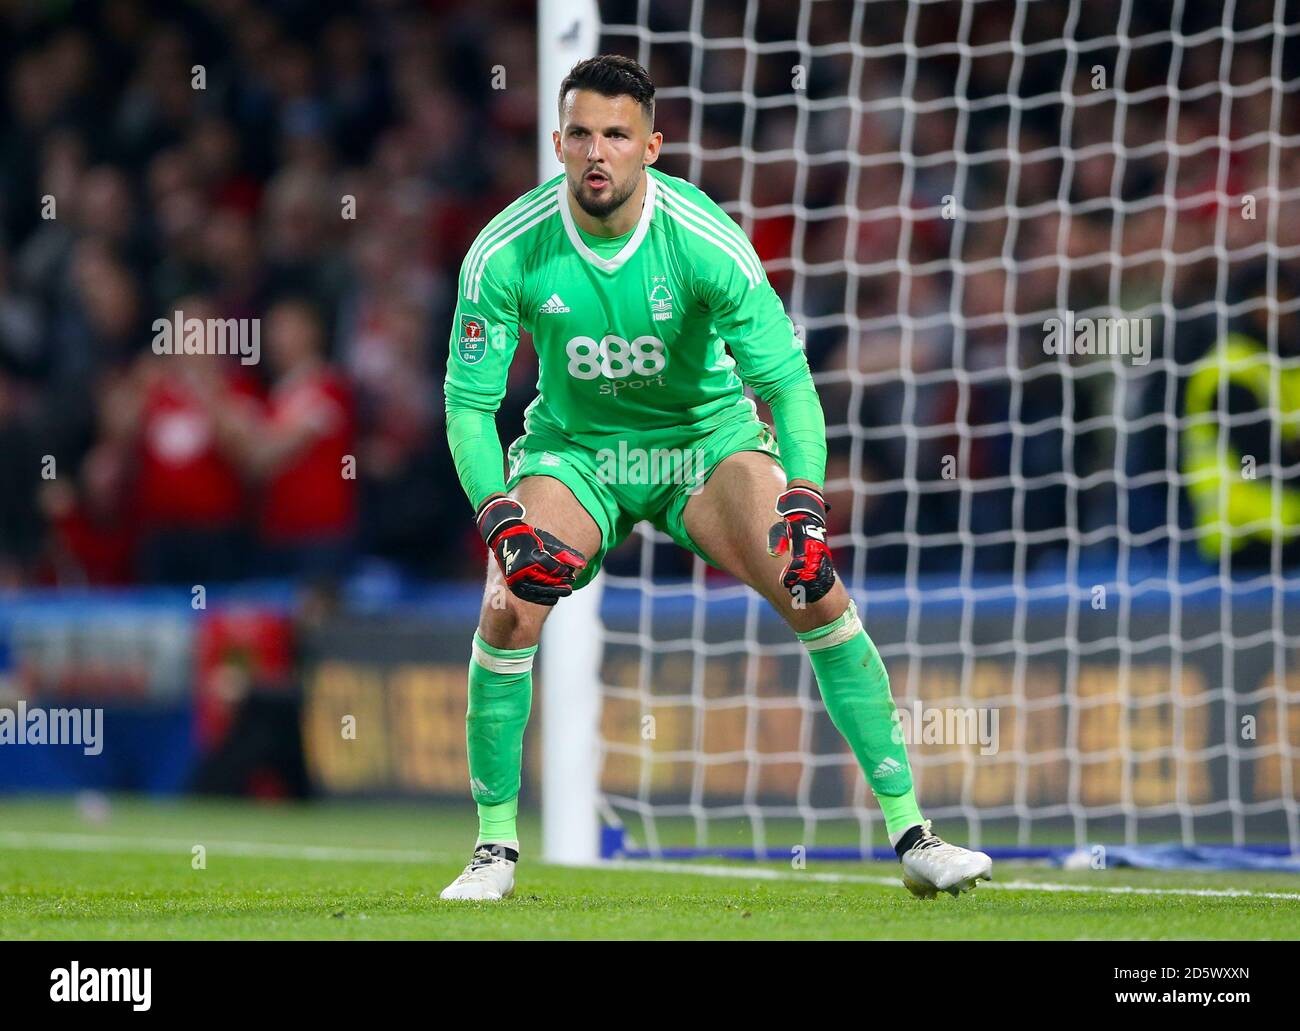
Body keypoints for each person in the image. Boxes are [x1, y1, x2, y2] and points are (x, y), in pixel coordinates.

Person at [440, 55, 992, 901]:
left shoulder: (702, 238)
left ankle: (915, 834)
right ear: (557, 142)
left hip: (702, 444)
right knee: (507, 603)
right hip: (579, 452)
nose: (597, 152)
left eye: (616, 135)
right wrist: (499, 517)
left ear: (651, 146)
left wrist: (806, 500)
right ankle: (494, 849)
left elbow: (788, 384)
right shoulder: (505, 250)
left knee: (814, 585)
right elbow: (469, 406)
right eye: (581, 134)